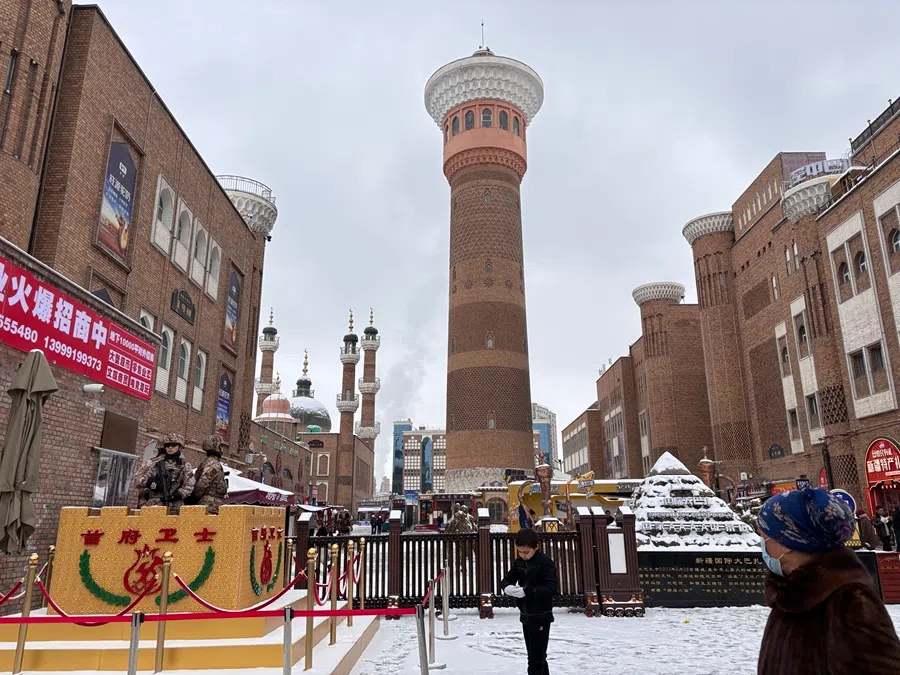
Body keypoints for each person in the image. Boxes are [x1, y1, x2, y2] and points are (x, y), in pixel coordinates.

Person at [757, 487, 900, 674]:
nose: (761, 544)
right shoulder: (789, 595)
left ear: (787, 542)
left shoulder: (851, 603)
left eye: (764, 537)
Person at [499, 528, 557, 675]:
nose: (523, 555)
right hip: (526, 615)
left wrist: (528, 591)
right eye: (520, 552)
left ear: (536, 547)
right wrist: (507, 587)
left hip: (541, 615)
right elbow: (507, 579)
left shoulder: (545, 562)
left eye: (526, 552)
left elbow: (551, 588)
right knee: (537, 657)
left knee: (535, 660)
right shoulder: (519, 562)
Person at [133, 433, 195, 513]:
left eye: (173, 445)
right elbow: (137, 480)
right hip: (153, 506)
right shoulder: (154, 463)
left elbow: (189, 486)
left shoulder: (185, 465)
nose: (170, 448)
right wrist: (150, 482)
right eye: (167, 445)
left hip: (173, 507)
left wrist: (177, 494)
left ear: (180, 447)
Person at [187, 434, 228, 514]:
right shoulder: (213, 464)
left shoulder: (207, 462)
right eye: (221, 446)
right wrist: (193, 499)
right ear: (216, 446)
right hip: (209, 506)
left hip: (210, 504)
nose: (222, 449)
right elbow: (202, 484)